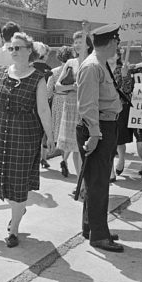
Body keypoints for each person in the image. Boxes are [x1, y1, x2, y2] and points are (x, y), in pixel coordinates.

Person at [0, 32, 53, 248]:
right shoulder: (2, 73)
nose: (14, 52)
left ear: (30, 51)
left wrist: (49, 135)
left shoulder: (37, 78)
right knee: (3, 178)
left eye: (18, 48)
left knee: (19, 181)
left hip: (25, 134)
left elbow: (43, 109)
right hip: (1, 133)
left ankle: (14, 229)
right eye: (11, 48)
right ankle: (18, 209)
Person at [76, 23, 124, 253]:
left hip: (104, 126)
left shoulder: (100, 64)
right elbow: (87, 106)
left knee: (96, 181)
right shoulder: (92, 66)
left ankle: (92, 228)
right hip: (97, 128)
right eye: (117, 41)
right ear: (112, 42)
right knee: (98, 183)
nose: (118, 45)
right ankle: (99, 235)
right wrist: (95, 134)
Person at [55, 31, 93, 180]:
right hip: (70, 106)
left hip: (86, 107)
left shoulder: (93, 62)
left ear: (88, 44)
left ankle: (86, 182)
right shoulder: (70, 63)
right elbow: (58, 86)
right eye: (75, 42)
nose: (77, 45)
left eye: (80, 41)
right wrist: (72, 86)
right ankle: (80, 182)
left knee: (83, 149)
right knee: (74, 148)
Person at [45, 46, 75, 170]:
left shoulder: (54, 71)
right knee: (68, 131)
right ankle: (64, 159)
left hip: (57, 101)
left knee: (57, 131)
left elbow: (48, 92)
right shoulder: (75, 70)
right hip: (70, 101)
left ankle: (50, 155)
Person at [111, 48, 134, 179]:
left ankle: (121, 159)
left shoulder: (123, 69)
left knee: (119, 139)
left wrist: (125, 76)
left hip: (120, 107)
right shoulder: (102, 67)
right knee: (108, 140)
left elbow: (127, 89)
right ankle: (110, 172)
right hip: (104, 107)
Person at [32, 41, 53, 168]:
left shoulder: (27, 69)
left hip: (29, 106)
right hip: (44, 105)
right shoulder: (49, 71)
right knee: (43, 133)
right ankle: (43, 158)